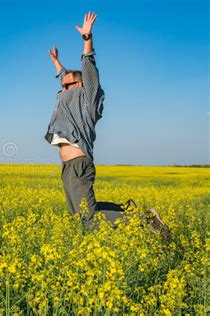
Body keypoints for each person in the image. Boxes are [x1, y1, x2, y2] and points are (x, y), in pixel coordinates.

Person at [44, 12, 170, 240]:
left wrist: (87, 39)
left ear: (80, 84)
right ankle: (126, 209)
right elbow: (66, 78)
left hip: (79, 163)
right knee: (78, 218)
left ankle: (146, 220)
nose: (62, 90)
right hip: (68, 166)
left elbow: (89, 70)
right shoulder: (69, 92)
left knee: (90, 219)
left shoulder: (88, 97)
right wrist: (57, 64)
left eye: (67, 86)